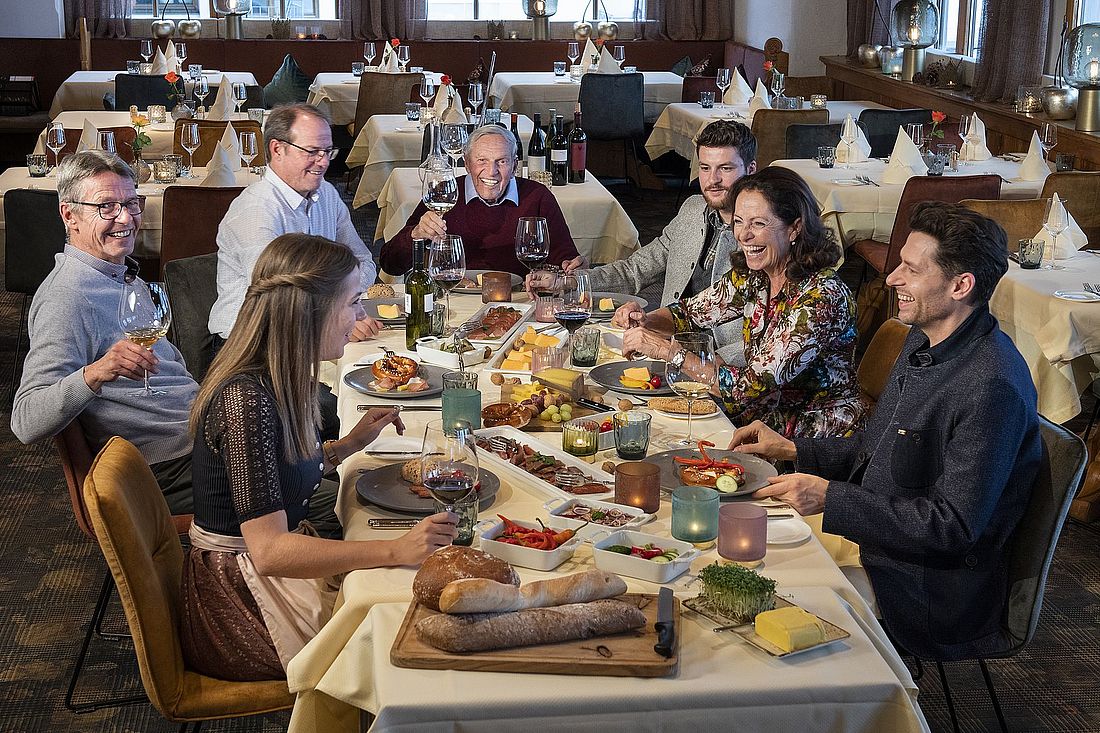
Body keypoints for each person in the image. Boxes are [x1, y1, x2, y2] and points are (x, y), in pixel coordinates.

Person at [730, 202, 1041, 661]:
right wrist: (794, 448)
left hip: (925, 589)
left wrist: (830, 498)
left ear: (960, 286)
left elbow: (951, 528)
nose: (891, 278)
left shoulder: (992, 386)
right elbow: (874, 449)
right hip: (875, 546)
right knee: (733, 550)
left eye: (911, 270)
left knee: (756, 595)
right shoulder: (922, 338)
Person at [182, 233, 456, 681]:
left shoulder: (278, 376)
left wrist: (347, 445)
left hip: (270, 575)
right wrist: (394, 549)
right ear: (310, 312)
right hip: (242, 602)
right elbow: (269, 551)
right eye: (352, 303)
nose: (361, 316)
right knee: (406, 646)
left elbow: (275, 471)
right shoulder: (245, 401)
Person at [11, 150, 197, 514]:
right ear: (69, 215)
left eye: (131, 202)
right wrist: (98, 372)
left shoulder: (119, 273)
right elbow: (26, 420)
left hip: (195, 434)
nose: (125, 218)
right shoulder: (66, 298)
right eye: (106, 207)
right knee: (317, 496)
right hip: (164, 469)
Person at [619, 167, 863, 439]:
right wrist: (644, 320)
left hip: (809, 443)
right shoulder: (756, 275)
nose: (743, 235)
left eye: (758, 224)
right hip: (758, 422)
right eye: (738, 221)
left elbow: (749, 388)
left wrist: (666, 351)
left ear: (795, 228)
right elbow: (689, 314)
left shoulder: (820, 297)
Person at [527, 120, 757, 360]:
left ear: (751, 169)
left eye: (726, 168)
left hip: (726, 367)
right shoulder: (692, 210)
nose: (712, 180)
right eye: (706, 167)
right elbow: (634, 270)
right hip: (663, 349)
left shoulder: (763, 239)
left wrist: (690, 359)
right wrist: (568, 282)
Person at [208, 102, 380, 342]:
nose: (323, 162)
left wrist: (346, 307)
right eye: (312, 152)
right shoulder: (256, 210)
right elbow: (278, 296)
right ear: (277, 149)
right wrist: (339, 315)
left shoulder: (327, 194)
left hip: (308, 331)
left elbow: (362, 261)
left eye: (328, 151)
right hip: (251, 344)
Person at [379, 125, 580, 277]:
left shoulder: (537, 196)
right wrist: (416, 235)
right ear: (467, 164)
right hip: (454, 296)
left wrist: (573, 267)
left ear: (514, 165)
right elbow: (390, 264)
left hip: (519, 300)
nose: (491, 172)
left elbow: (566, 259)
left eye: (501, 161)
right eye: (481, 161)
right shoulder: (444, 195)